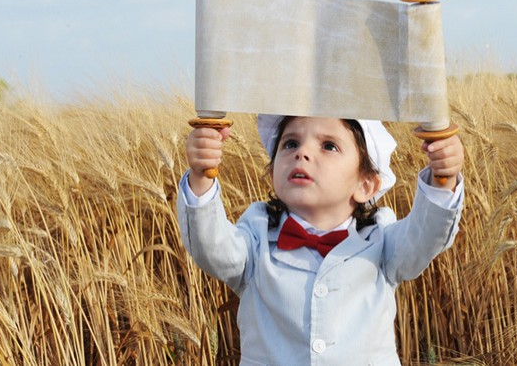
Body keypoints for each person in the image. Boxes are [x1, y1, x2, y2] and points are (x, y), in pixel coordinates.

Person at [176, 115, 464, 365]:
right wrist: (202, 178)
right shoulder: (255, 236)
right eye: (290, 143)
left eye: (328, 146)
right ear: (273, 170)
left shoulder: (382, 239)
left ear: (365, 185)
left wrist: (443, 178)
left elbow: (425, 236)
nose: (302, 153)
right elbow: (211, 246)